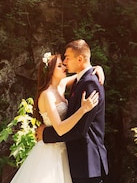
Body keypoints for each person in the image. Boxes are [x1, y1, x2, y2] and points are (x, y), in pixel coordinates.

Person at [9, 51, 102, 183]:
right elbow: (59, 128)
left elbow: (83, 75)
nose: (64, 66)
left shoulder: (61, 86)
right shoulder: (47, 95)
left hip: (63, 149)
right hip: (50, 151)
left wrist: (97, 68)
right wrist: (83, 109)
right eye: (59, 66)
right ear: (50, 71)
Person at [38, 39, 109, 183]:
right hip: (75, 160)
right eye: (60, 63)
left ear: (80, 59)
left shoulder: (90, 83)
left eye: (67, 58)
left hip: (87, 162)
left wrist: (46, 134)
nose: (64, 62)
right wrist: (96, 68)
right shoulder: (80, 80)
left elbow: (80, 130)